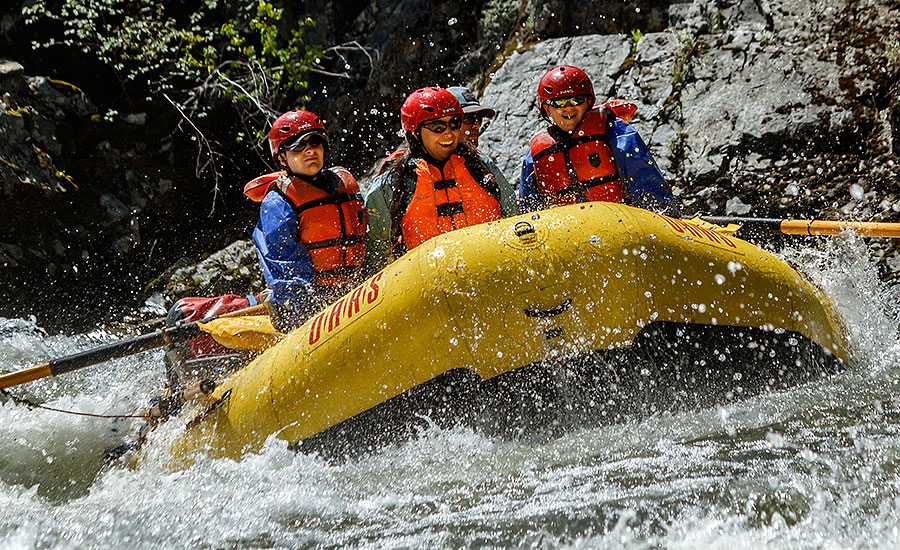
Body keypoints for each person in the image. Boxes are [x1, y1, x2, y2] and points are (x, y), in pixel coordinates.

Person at [365, 87, 516, 269]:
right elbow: (378, 250)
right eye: (437, 126)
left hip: (491, 265)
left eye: (454, 124)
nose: (448, 133)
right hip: (428, 278)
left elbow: (512, 214)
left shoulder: (481, 166)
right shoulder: (394, 182)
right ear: (414, 133)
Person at [249, 109, 367, 331]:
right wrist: (307, 309)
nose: (310, 150)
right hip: (306, 300)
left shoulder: (345, 184)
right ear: (281, 157)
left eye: (316, 143)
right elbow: (285, 266)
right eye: (298, 146)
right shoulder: (278, 203)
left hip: (356, 290)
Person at [519, 65, 680, 216]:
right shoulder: (535, 154)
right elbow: (529, 207)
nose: (568, 108)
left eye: (576, 100)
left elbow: (645, 180)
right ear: (547, 109)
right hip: (569, 233)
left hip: (622, 221)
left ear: (589, 102)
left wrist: (662, 215)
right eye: (559, 103)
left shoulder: (615, 131)